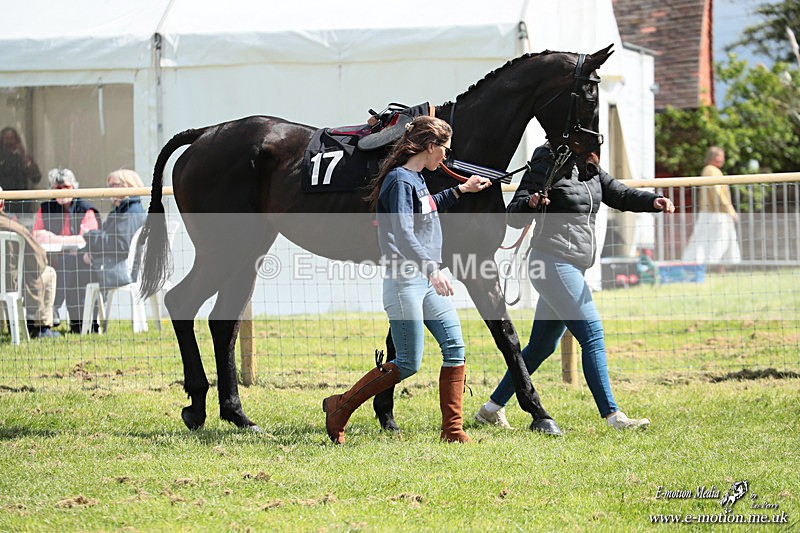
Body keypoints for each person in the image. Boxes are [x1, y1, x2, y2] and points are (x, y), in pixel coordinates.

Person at [474, 142, 675, 430]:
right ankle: (613, 416)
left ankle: (490, 409)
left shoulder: (589, 167)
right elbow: (513, 214)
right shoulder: (546, 162)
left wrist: (651, 201)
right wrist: (531, 203)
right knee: (592, 333)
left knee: (541, 346)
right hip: (552, 262)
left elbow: (619, 193)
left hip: (571, 265)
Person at [322, 116, 492, 444]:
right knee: (409, 362)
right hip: (406, 282)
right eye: (445, 149)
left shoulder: (416, 178)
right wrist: (432, 269)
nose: (446, 156)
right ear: (430, 147)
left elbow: (425, 209)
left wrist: (461, 189)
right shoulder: (400, 180)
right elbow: (403, 231)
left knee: (455, 348)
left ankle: (453, 431)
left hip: (427, 280)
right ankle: (340, 406)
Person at [32, 168, 100, 333]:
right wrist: (65, 240)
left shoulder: (86, 209)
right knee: (55, 266)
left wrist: (53, 238)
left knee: (66, 264)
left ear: (74, 188)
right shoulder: (46, 208)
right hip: (51, 261)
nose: (62, 191)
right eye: (57, 188)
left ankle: (54, 309)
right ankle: (41, 323)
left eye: (66, 187)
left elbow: (85, 239)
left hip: (85, 263)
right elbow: (35, 235)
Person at [0, 187, 60, 338]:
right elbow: (39, 257)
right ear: (2, 203)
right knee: (49, 273)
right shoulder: (13, 227)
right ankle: (40, 327)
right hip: (10, 284)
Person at [81, 169, 147, 290]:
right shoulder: (119, 211)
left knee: (72, 268)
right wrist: (89, 249)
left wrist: (90, 235)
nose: (110, 189)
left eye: (114, 185)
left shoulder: (131, 212)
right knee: (73, 262)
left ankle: (63, 308)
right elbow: (106, 236)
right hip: (110, 264)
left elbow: (120, 244)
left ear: (129, 185)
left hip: (124, 270)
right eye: (109, 186)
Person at [681, 146, 741, 271]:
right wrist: (730, 210)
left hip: (715, 213)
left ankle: (718, 268)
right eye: (719, 156)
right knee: (715, 242)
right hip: (715, 214)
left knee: (717, 241)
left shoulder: (711, 170)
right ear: (712, 157)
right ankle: (707, 268)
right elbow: (717, 192)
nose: (722, 159)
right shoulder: (711, 170)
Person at [0, 127, 42, 217]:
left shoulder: (22, 157)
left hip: (22, 207)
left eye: (12, 139)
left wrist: (23, 155)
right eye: (6, 139)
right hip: (3, 206)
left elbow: (36, 177)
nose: (9, 143)